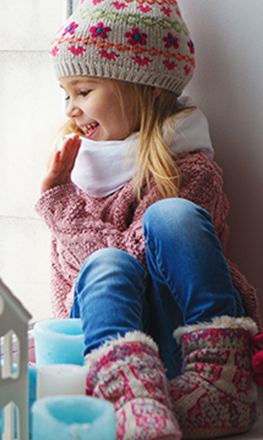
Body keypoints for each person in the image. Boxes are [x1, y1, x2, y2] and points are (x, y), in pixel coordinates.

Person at [35, 1, 262, 439]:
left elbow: (140, 257)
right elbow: (74, 285)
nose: (70, 109)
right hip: (110, 351)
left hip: (183, 358)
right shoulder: (74, 174)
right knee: (105, 265)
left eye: (84, 92)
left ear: (144, 87)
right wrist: (60, 200)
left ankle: (223, 383)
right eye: (66, 94)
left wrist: (64, 211)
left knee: (169, 216)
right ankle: (130, 400)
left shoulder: (190, 171)